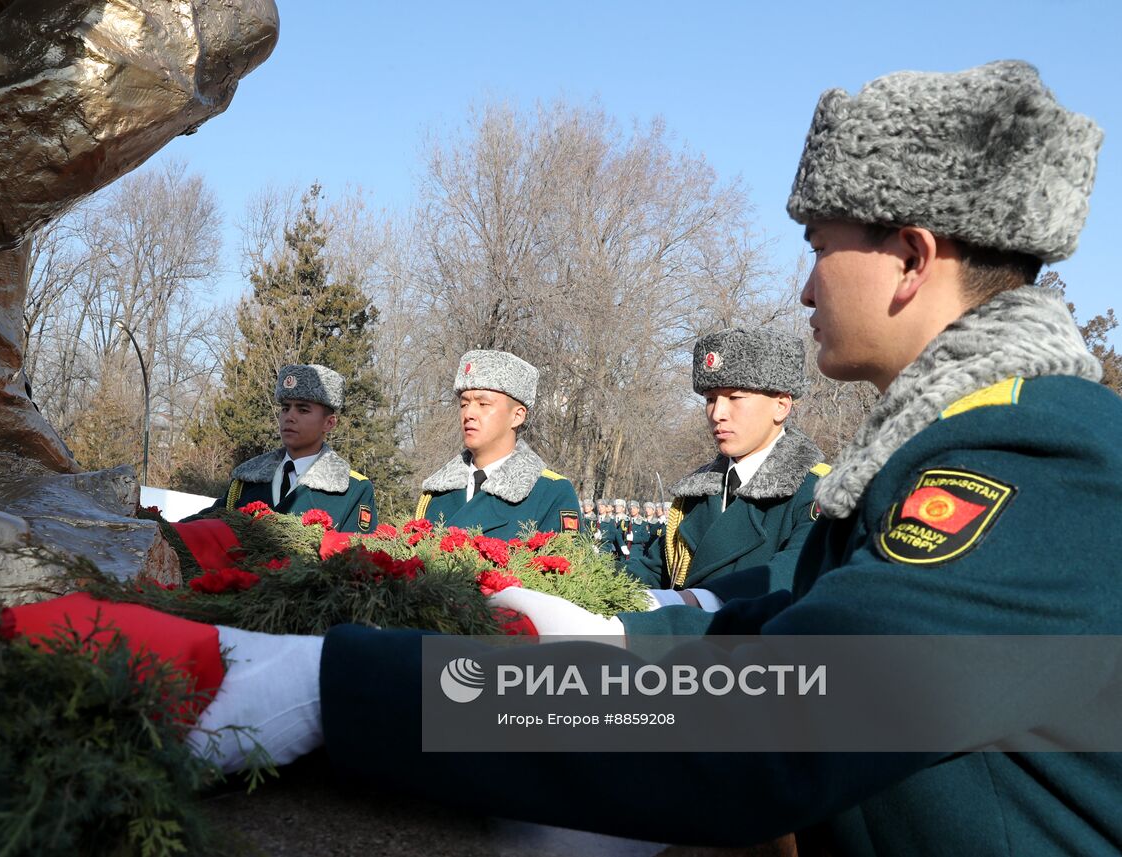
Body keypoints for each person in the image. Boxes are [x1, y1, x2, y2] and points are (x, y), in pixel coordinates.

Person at [192, 61, 1121, 852]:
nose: (804, 286)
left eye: (821, 246)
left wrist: (342, 691)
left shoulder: (1033, 461)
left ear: (912, 259)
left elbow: (772, 720)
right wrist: (608, 637)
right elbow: (781, 631)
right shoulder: (963, 440)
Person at [623, 329, 829, 609]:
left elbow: (792, 576)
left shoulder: (820, 492)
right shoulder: (696, 492)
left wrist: (696, 601)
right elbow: (653, 572)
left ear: (781, 406)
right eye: (710, 399)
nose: (717, 413)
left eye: (735, 397)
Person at [413, 350, 581, 540]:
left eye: (483, 404)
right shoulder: (436, 495)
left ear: (517, 416)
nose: (469, 414)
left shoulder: (549, 494)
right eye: (464, 404)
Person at [208, 365, 375, 533]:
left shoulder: (353, 490)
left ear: (329, 423)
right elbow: (203, 528)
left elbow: (356, 556)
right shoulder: (247, 480)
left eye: (303, 410)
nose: (289, 417)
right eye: (285, 408)